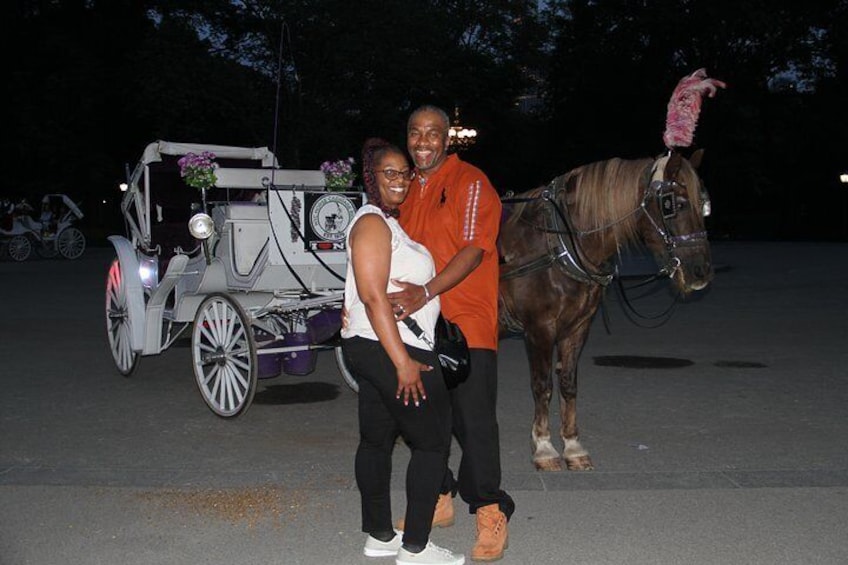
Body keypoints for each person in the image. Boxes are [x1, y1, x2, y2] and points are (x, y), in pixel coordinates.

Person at [388, 105, 515, 562]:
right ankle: (440, 497)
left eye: (433, 133)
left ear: (447, 139)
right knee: (421, 416)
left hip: (465, 322)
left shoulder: (471, 183)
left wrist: (425, 291)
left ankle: (489, 509)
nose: (423, 141)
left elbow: (475, 250)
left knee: (474, 422)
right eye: (415, 133)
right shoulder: (403, 189)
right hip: (417, 324)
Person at [341, 137, 465, 565]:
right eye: (389, 173)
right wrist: (404, 364)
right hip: (394, 347)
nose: (399, 180)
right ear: (371, 178)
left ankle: (379, 536)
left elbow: (360, 290)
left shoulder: (384, 224)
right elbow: (374, 297)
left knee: (376, 440)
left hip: (371, 344)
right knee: (432, 445)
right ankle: (415, 546)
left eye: (404, 173)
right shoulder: (373, 222)